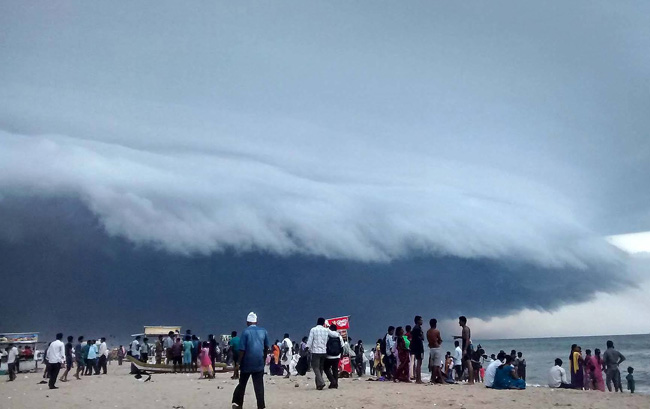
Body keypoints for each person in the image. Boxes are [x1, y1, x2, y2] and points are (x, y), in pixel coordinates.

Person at [231, 312, 270, 409]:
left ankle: (238, 404)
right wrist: (264, 359)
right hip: (259, 362)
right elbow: (266, 347)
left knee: (242, 384)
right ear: (256, 321)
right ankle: (261, 406)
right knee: (259, 386)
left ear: (247, 322)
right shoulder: (263, 331)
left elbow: (242, 350)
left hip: (247, 362)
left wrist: (238, 363)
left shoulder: (245, 332)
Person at [306, 317, 330, 390]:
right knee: (320, 368)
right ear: (323, 323)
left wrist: (307, 348)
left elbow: (310, 340)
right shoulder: (326, 330)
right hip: (324, 351)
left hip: (316, 351)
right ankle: (318, 385)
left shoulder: (313, 330)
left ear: (317, 322)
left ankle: (321, 382)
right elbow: (333, 336)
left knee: (315, 368)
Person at [453, 316, 474, 384]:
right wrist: (458, 337)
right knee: (466, 363)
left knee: (469, 363)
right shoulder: (464, 329)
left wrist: (465, 349)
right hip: (466, 347)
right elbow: (465, 337)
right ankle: (470, 379)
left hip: (467, 348)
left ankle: (471, 381)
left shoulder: (466, 329)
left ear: (463, 321)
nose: (459, 322)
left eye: (460, 321)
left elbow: (467, 339)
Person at [324, 324, 344, 389]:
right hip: (337, 356)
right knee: (335, 370)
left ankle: (332, 381)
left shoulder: (328, 335)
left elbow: (325, 345)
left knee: (326, 368)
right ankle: (336, 384)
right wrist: (341, 355)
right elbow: (342, 347)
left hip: (329, 356)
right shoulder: (339, 336)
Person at [426, 318, 443, 384]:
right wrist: (439, 343)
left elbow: (429, 341)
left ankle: (433, 379)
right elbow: (440, 339)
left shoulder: (428, 332)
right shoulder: (436, 331)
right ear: (435, 324)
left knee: (433, 365)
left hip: (431, 348)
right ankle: (433, 379)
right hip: (436, 348)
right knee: (436, 365)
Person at [409, 316, 424, 384]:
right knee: (419, 363)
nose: (422, 321)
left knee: (418, 363)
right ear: (418, 321)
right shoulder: (417, 329)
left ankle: (418, 378)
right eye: (421, 320)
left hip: (415, 347)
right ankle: (418, 379)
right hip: (418, 347)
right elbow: (420, 338)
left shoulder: (415, 328)